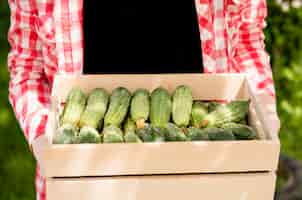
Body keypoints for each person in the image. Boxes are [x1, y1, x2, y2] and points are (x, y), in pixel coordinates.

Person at [7, 0, 280, 199]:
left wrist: (264, 108)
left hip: (208, 166)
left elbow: (246, 39)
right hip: (86, 177)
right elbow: (27, 68)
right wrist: (43, 138)